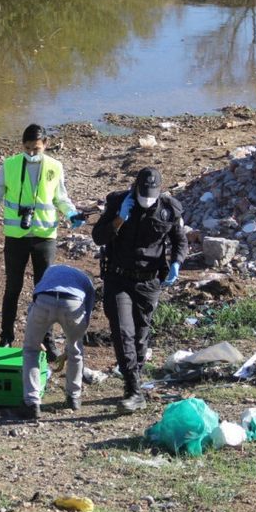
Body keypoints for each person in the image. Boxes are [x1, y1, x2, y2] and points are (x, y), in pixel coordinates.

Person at [0, 124, 84, 356]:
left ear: (45, 144)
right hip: (16, 237)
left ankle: (48, 341)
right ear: (22, 146)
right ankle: (6, 337)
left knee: (45, 291)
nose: (32, 153)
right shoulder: (10, 165)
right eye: (27, 148)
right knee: (12, 288)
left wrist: (72, 213)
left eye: (36, 148)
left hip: (44, 237)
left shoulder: (55, 167)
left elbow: (61, 197)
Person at [91, 167, 187, 413]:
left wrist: (176, 262)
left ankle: (135, 380)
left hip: (149, 282)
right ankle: (132, 390)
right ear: (135, 188)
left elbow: (179, 240)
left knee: (141, 335)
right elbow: (98, 237)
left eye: (151, 196)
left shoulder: (169, 209)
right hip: (118, 278)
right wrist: (119, 219)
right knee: (123, 333)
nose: (146, 200)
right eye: (143, 194)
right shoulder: (117, 203)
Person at [20, 264, 95, 420]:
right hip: (72, 304)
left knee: (31, 350)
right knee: (76, 351)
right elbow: (87, 313)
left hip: (44, 301)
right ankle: (74, 398)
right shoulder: (86, 281)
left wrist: (36, 337)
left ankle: (32, 403)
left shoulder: (50, 271)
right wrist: (74, 341)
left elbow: (35, 298)